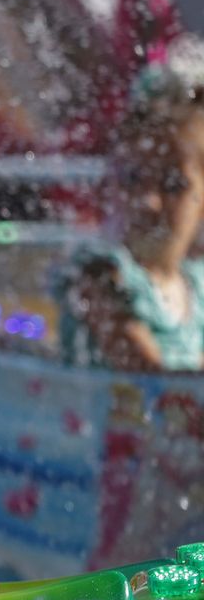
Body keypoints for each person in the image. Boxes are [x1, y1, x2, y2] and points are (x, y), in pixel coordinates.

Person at [57, 34, 204, 371]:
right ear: (110, 184)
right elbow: (145, 373)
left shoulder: (198, 288)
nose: (148, 201)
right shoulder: (101, 275)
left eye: (172, 184)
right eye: (132, 179)